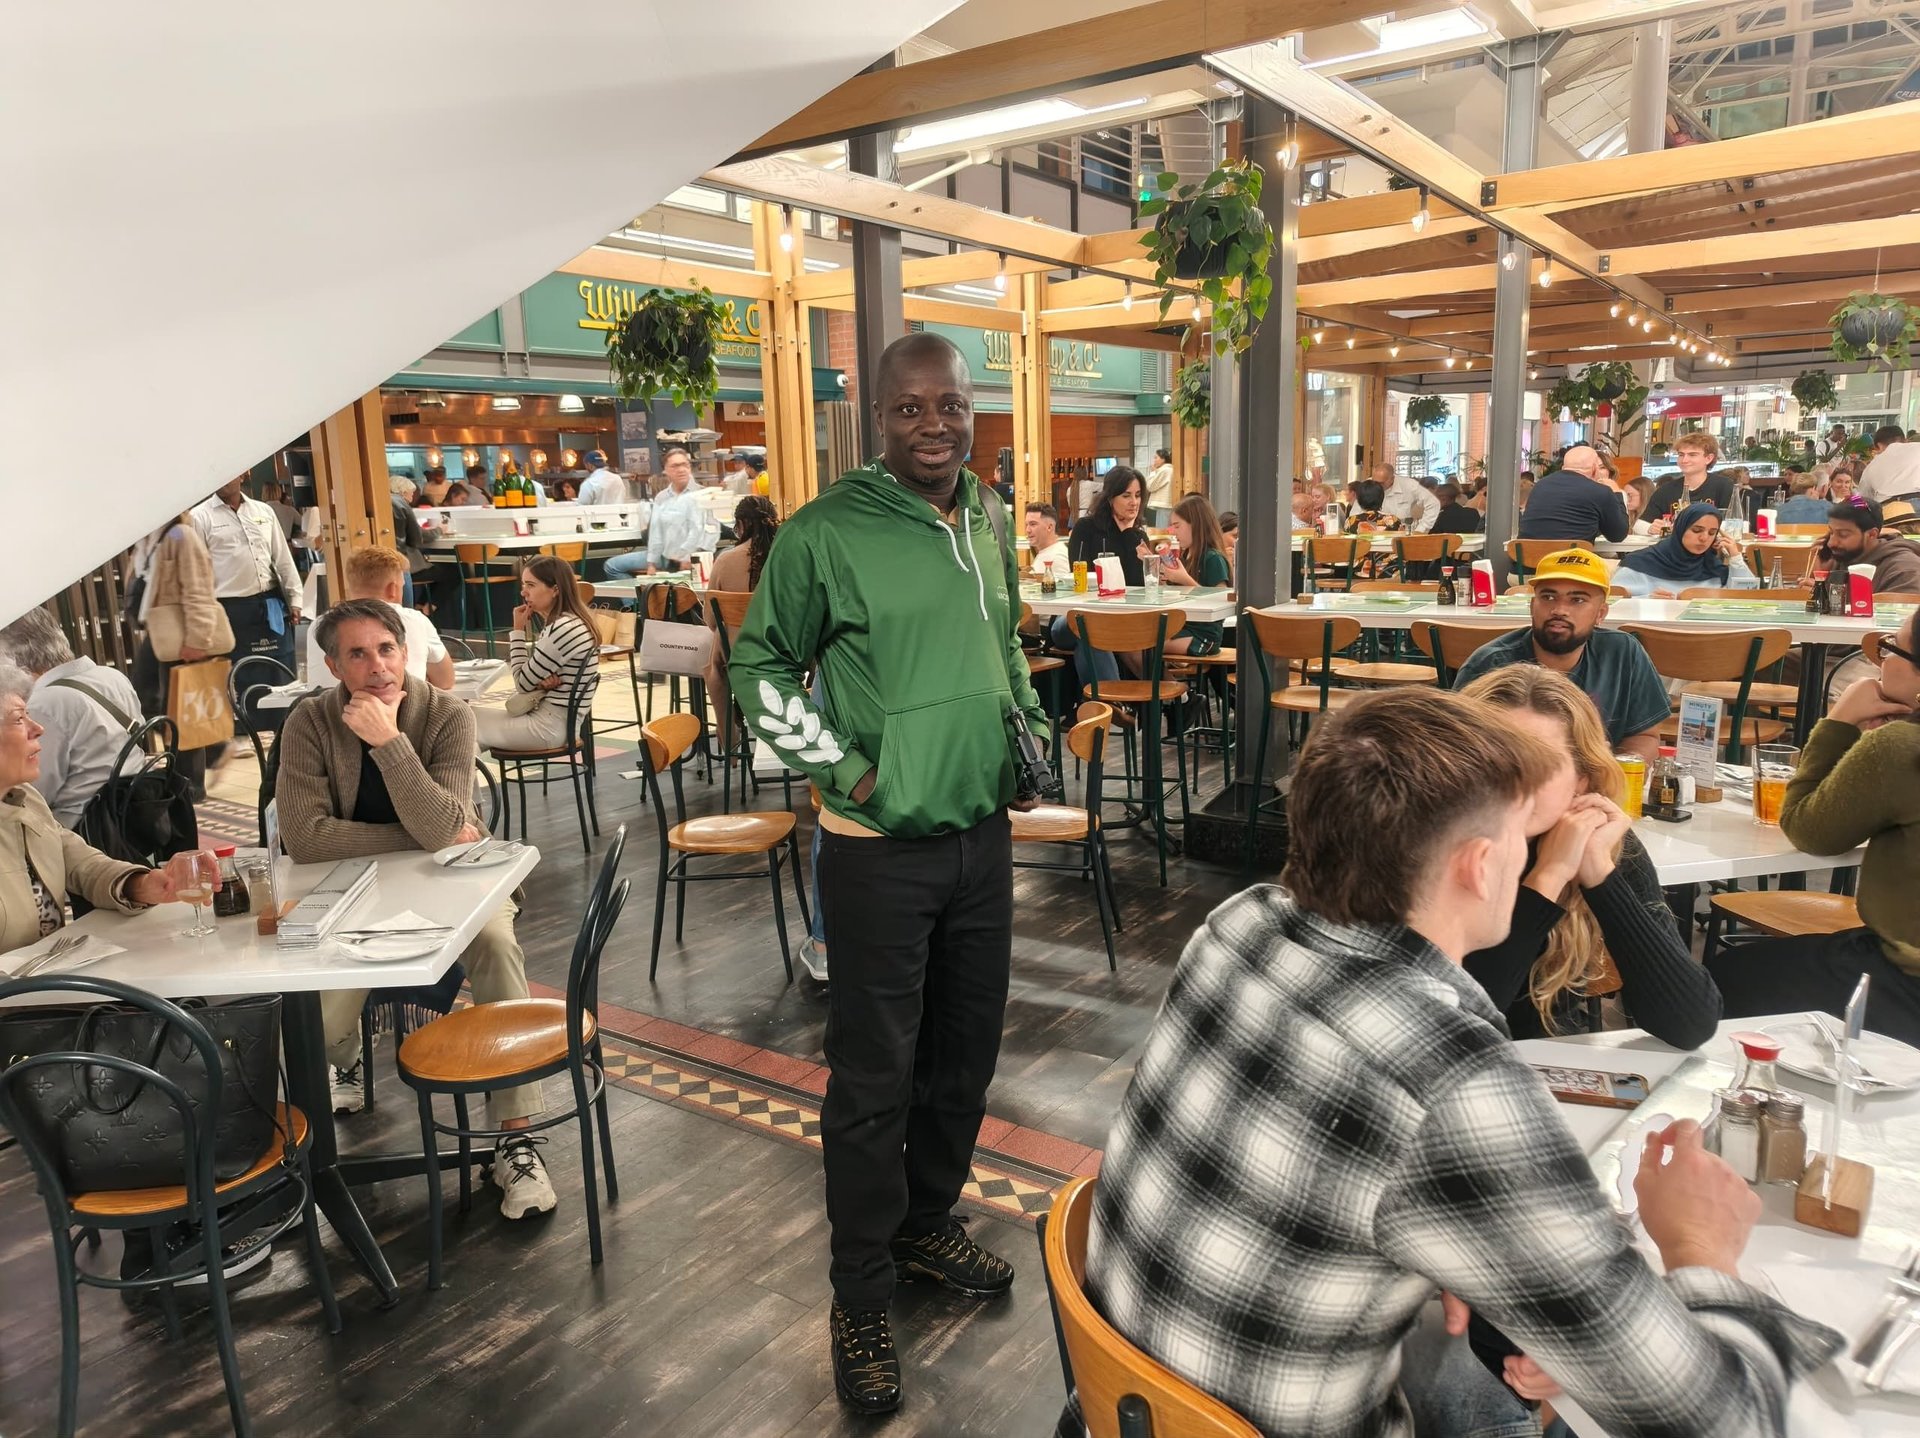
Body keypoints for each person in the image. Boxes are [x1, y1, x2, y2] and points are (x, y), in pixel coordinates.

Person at [1077, 687, 1839, 1438]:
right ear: (1480, 864)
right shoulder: (1449, 1079)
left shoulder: (1236, 927)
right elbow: (1725, 1421)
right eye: (1521, 833)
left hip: (1116, 1413)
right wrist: (1701, 1249)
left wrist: (1440, 1243)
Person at [728, 331, 1047, 1416]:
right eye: (910, 408)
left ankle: (924, 1225)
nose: (934, 425)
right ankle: (860, 1291)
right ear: (878, 418)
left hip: (980, 836)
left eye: (949, 404)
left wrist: (1025, 728)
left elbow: (1004, 642)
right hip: (875, 849)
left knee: (964, 1058)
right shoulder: (826, 532)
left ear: (971, 409)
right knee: (874, 1081)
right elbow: (759, 668)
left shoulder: (987, 516)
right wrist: (851, 773)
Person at [274, 600, 554, 1209]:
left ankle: (515, 1137)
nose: (377, 666)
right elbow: (305, 839)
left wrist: (389, 741)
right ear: (333, 666)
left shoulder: (447, 714)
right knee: (318, 1013)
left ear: (405, 652)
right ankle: (329, 1082)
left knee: (497, 945)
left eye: (386, 649)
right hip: (350, 890)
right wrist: (427, 834)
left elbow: (447, 834)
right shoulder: (310, 722)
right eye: (357, 654)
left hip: (458, 882)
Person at [1460, 666, 1721, 1045]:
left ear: (1581, 780)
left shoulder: (1602, 842)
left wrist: (1600, 872)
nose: (1514, 783)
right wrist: (1548, 876)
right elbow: (1457, 1028)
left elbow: (1689, 1024)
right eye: (1493, 758)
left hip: (1547, 1064)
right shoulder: (1424, 844)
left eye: (1540, 764)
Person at [1708, 609, 1920, 1044]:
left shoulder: (1900, 748)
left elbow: (1808, 828)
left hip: (1904, 981)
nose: (1881, 661)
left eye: (1891, 649)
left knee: (1712, 981)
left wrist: (1839, 721)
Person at [0, 660, 219, 951]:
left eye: (30, 715)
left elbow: (81, 864)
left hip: (51, 972)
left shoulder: (24, 797)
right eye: (19, 719)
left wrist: (145, 884)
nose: (38, 728)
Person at [1451, 549, 1669, 761]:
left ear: (1600, 613)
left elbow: (1646, 736)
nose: (1559, 610)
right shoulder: (1489, 665)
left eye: (1577, 600)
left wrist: (1613, 774)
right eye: (1548, 597)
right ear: (1532, 606)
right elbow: (1459, 752)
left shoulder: (1623, 653)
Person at [0, 607, 144, 829]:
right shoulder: (112, 676)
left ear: (12, 659)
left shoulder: (45, 702)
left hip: (83, 825)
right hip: (136, 808)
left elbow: (32, 790)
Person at [470, 555, 599, 751]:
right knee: (467, 738)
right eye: (524, 584)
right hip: (556, 724)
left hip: (547, 728)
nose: (523, 592)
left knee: (458, 717)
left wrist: (517, 631)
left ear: (555, 589)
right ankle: (464, 771)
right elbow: (531, 677)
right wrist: (540, 683)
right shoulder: (573, 622)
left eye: (531, 585)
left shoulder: (562, 629)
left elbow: (522, 683)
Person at [191, 476, 303, 688]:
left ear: (241, 475)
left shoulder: (263, 511)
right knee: (243, 676)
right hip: (231, 610)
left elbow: (282, 558)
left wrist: (295, 599)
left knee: (282, 672)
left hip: (270, 604)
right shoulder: (199, 517)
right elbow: (195, 574)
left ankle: (286, 711)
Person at [1053, 466, 1153, 685]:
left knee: (1093, 635)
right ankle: (1114, 699)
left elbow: (1138, 587)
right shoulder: (1085, 528)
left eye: (1138, 495)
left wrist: (1129, 534)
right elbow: (1078, 576)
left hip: (1117, 619)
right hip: (1073, 615)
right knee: (1089, 624)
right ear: (1109, 498)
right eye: (1126, 495)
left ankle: (1104, 702)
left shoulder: (1138, 535)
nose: (1134, 502)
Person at [305, 546, 454, 690]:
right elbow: (445, 681)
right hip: (401, 705)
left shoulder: (319, 625)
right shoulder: (415, 620)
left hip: (328, 706)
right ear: (393, 589)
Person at [704, 494, 779, 745]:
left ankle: (728, 734)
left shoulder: (726, 560)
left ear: (741, 524)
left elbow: (710, 620)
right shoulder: (788, 555)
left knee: (719, 644)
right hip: (788, 655)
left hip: (740, 658)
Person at [606, 449, 717, 577]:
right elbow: (656, 534)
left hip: (694, 555)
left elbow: (709, 531)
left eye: (684, 465)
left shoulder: (703, 495)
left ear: (689, 468)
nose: (681, 470)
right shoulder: (662, 497)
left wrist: (691, 556)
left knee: (612, 566)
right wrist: (651, 564)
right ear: (666, 470)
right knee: (612, 566)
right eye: (675, 466)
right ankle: (642, 591)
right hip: (666, 555)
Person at [1611, 502, 1759, 598]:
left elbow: (1749, 599)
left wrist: (1735, 557)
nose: (1704, 538)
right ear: (1681, 529)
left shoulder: (1714, 568)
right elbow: (1610, 600)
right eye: (1696, 530)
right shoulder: (1639, 563)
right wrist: (1646, 600)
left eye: (1712, 533)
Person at [1158, 495, 1232, 658]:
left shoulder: (1213, 558)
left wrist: (1184, 579)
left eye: (1177, 526)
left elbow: (1221, 601)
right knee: (1134, 642)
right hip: (1181, 627)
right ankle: (1164, 675)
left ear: (1196, 524)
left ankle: (1166, 676)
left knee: (1145, 646)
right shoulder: (1186, 556)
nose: (1173, 532)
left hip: (1204, 635)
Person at [1799, 496, 1920, 596]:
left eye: (1843, 535)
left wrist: (1826, 597)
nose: (1831, 543)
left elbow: (1903, 615)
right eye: (1831, 533)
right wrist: (1818, 578)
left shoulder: (1905, 570)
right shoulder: (1838, 559)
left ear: (1872, 535)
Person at [1517, 443, 1629, 543]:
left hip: (1528, 558)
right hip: (1572, 558)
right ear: (1595, 469)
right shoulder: (1600, 492)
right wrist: (1617, 493)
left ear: (1563, 467)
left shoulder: (1540, 486)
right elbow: (1618, 535)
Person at [1647, 433, 1733, 525]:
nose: (1684, 460)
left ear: (1708, 458)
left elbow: (1734, 522)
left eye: (1692, 455)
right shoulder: (1666, 490)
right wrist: (1652, 527)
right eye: (1681, 455)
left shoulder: (1724, 486)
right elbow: (1642, 523)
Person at [389, 476, 431, 608]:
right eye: (411, 492)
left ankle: (422, 606)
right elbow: (416, 540)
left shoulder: (382, 501)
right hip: (400, 558)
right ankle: (425, 607)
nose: (413, 496)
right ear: (403, 491)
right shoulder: (402, 504)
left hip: (385, 558)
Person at [1857, 423, 1920, 507]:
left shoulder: (1872, 465)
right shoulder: (1917, 448)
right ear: (1905, 440)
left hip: (1890, 507)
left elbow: (1862, 499)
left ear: (1879, 446)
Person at [1377, 462, 1439, 533]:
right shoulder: (1369, 487)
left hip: (1405, 535)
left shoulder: (1411, 489)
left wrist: (1419, 531)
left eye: (1381, 483)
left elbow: (1433, 505)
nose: (1377, 485)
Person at [1023, 501, 1068, 574]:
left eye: (1033, 524)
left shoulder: (1057, 557)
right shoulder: (1045, 552)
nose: (1028, 530)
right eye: (1026, 525)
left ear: (1049, 527)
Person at [1144, 446, 1174, 526]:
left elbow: (1150, 486)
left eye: (1156, 457)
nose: (1154, 460)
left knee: (1162, 529)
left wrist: (1153, 472)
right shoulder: (1170, 469)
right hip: (1167, 504)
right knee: (1168, 527)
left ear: (1163, 459)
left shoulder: (1164, 470)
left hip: (1164, 505)